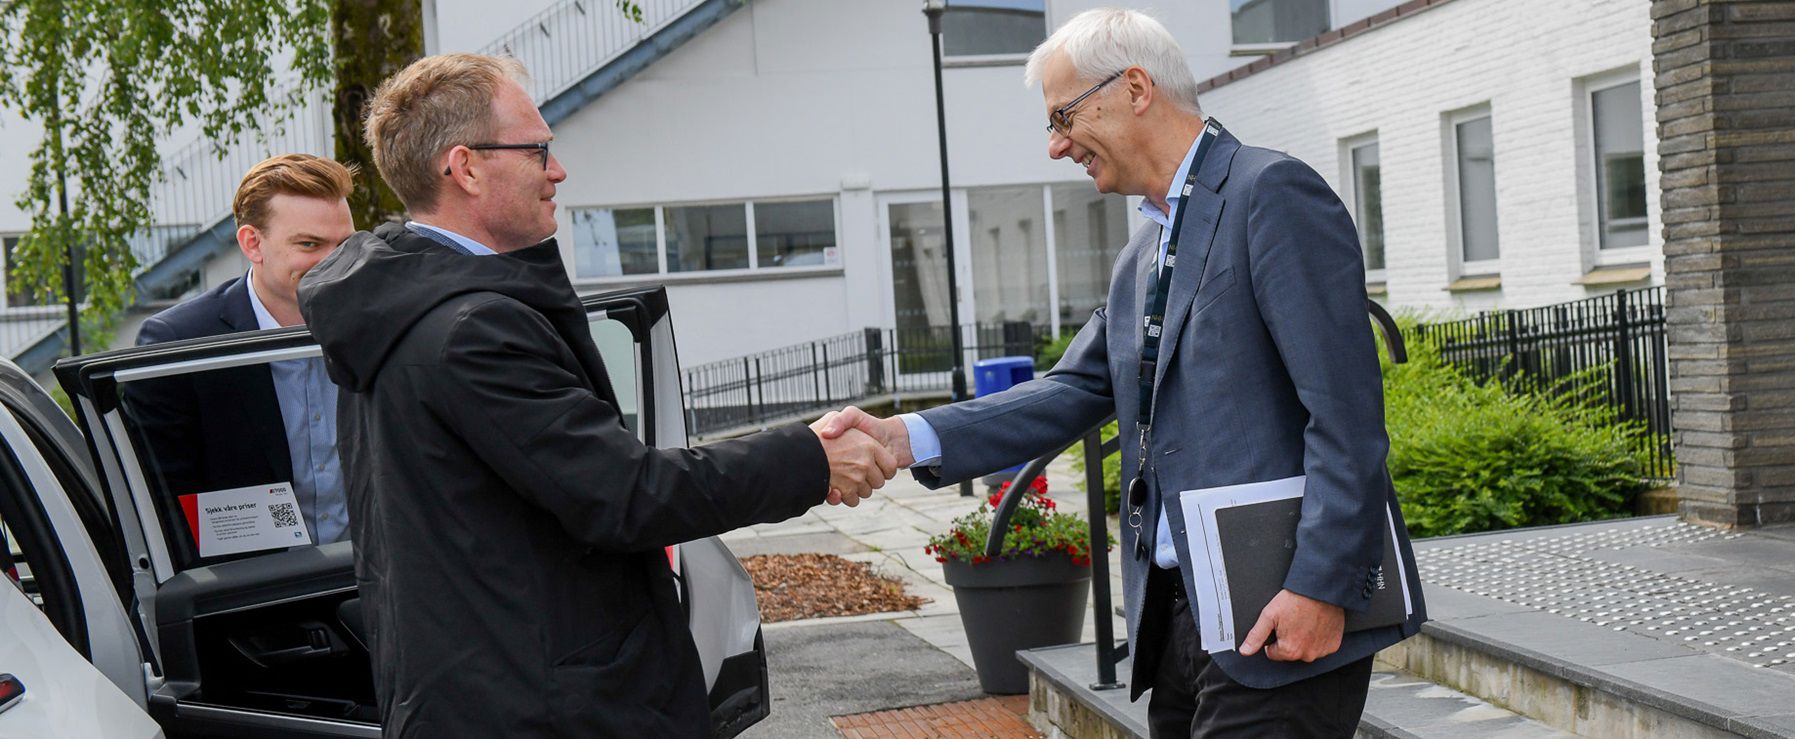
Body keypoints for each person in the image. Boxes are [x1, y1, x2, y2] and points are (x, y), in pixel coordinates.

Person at [815, 8, 1427, 737]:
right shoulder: (1141, 256)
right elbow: (1071, 390)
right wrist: (902, 437)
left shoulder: (1273, 195)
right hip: (1177, 624)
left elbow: (1347, 418)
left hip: (1279, 614)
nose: (1054, 145)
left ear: (1135, 87)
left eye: (1063, 115)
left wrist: (1319, 588)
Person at [297, 53, 896, 737]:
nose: (559, 170)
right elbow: (626, 494)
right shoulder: (471, 330)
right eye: (539, 150)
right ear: (464, 168)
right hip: (544, 714)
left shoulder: (394, 311)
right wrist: (810, 458)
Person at [125, 153, 358, 550]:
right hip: (250, 595)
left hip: (373, 584)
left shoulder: (379, 324)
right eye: (309, 244)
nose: (334, 262)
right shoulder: (181, 344)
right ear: (253, 243)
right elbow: (165, 513)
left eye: (345, 244)